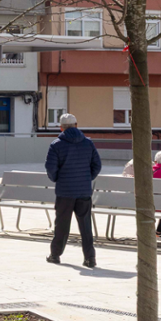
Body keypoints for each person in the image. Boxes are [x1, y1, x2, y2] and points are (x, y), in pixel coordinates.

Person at [44, 113, 102, 269]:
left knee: (62, 225)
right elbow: (97, 165)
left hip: (65, 191)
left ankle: (55, 255)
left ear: (61, 127)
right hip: (83, 191)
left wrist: (58, 179)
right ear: (77, 125)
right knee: (85, 225)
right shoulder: (88, 143)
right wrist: (86, 178)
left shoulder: (56, 144)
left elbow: (50, 168)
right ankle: (90, 258)